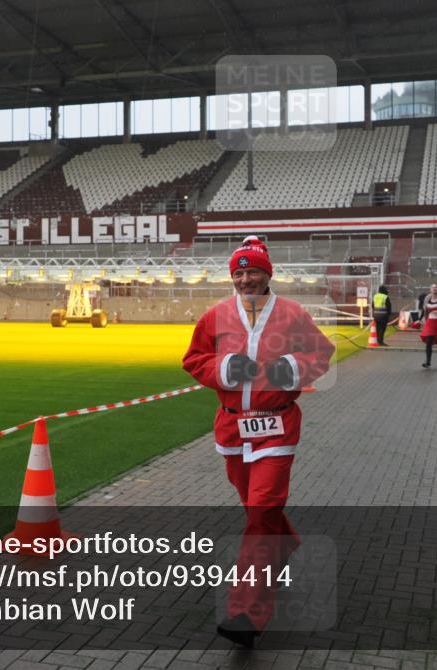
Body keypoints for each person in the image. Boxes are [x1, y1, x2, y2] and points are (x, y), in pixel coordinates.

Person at [182, 236, 335, 647]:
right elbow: (193, 359)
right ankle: (285, 543)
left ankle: (247, 613)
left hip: (277, 427)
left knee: (261, 511)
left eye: (253, 271)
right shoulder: (215, 316)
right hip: (233, 428)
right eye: (239, 273)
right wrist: (224, 367)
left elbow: (321, 353)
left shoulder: (293, 313)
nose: (245, 279)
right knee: (258, 511)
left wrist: (291, 367)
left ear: (268, 274)